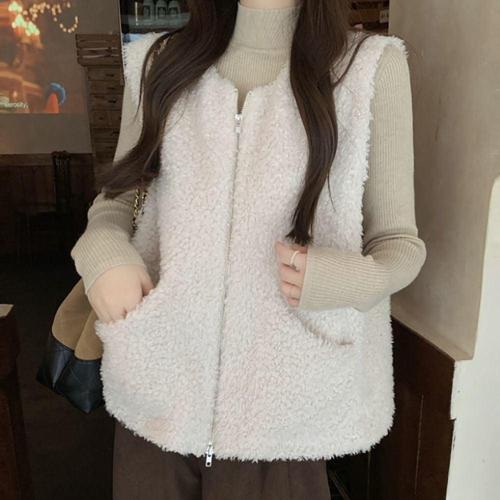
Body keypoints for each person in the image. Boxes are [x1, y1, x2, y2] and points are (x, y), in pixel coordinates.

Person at [71, 1, 427, 498]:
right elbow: (115, 201)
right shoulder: (159, 64)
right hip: (157, 394)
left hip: (281, 421)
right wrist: (103, 253)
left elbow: (401, 246)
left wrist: (342, 280)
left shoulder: (367, 68)